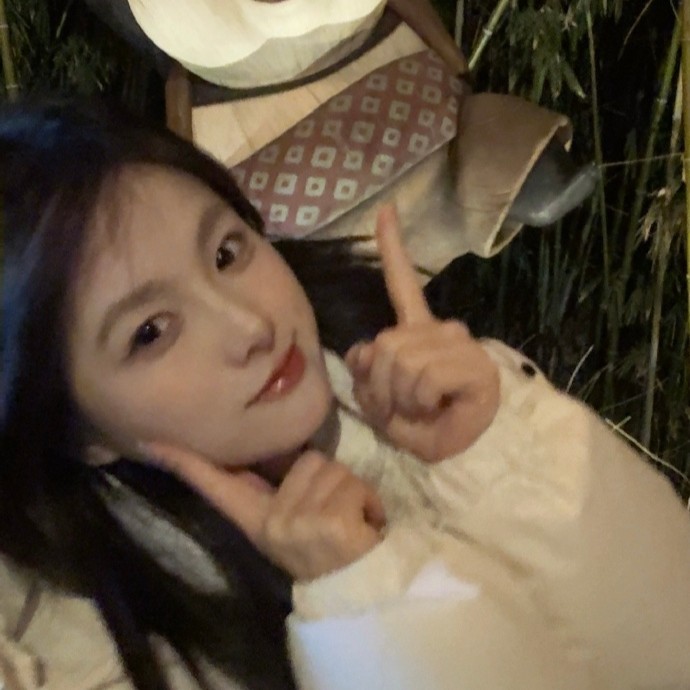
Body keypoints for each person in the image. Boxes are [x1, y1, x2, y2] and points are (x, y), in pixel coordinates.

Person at [1, 99, 690, 690]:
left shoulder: (408, 374)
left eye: (226, 253)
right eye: (150, 332)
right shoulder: (100, 656)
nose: (251, 326)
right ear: (74, 430)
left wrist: (500, 452)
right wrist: (366, 607)